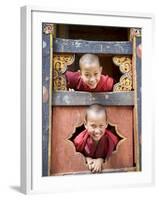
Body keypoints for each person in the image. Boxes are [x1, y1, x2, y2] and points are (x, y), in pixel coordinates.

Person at [73, 104, 119, 173]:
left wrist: (101, 160)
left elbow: (114, 156)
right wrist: (86, 159)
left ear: (106, 124)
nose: (97, 131)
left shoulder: (112, 140)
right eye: (93, 126)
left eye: (101, 126)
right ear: (85, 124)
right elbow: (74, 155)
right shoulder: (79, 141)